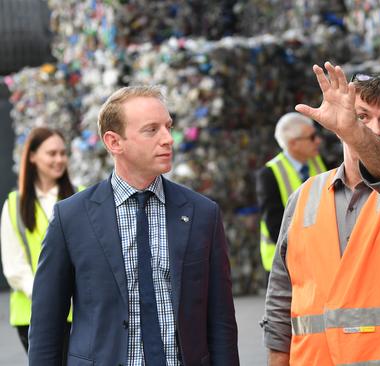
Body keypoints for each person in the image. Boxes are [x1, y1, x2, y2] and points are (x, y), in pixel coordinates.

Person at [28, 85, 239, 365]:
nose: (168, 139)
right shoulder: (71, 218)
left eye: (168, 126)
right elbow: (46, 326)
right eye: (152, 130)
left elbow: (221, 319)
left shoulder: (203, 213)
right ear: (114, 142)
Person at [263, 63, 380, 365]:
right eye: (361, 117)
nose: (372, 129)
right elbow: (282, 298)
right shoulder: (304, 197)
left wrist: (355, 131)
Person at [1, 127, 76, 361]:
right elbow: (14, 267)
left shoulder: (81, 198)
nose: (59, 159)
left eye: (63, 153)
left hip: (79, 315)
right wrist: (50, 298)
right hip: (31, 314)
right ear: (32, 156)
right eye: (51, 153)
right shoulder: (14, 205)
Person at [256, 112, 327, 275]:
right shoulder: (269, 174)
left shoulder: (319, 162)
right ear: (294, 144)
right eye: (312, 137)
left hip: (320, 259)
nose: (318, 141)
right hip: (284, 264)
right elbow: (274, 225)